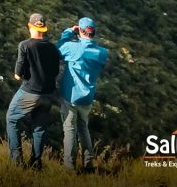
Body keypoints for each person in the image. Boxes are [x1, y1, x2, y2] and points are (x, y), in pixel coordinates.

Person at [6, 12, 60, 168]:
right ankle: (36, 163)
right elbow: (55, 72)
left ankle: (16, 161)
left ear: (30, 26)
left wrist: (21, 75)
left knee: (12, 119)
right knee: (39, 127)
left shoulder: (25, 45)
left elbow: (18, 75)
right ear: (44, 28)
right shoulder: (53, 48)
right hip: (48, 94)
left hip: (30, 92)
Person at [57, 17, 109, 173]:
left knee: (70, 129)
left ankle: (69, 166)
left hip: (70, 96)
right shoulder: (102, 53)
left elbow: (58, 48)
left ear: (80, 30)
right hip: (87, 97)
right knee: (83, 128)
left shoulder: (75, 48)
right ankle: (88, 164)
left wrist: (68, 32)